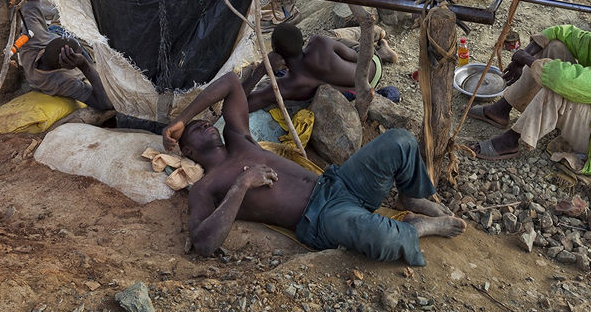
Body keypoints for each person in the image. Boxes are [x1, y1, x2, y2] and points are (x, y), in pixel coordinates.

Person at [162, 72, 465, 265]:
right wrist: (241, 185)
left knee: (399, 140)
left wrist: (182, 118)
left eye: (203, 121)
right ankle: (416, 230)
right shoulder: (206, 186)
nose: (204, 123)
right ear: (187, 151)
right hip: (320, 217)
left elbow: (229, 83)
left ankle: (410, 197)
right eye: (195, 128)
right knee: (380, 237)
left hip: (338, 183)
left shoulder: (238, 138)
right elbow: (203, 243)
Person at [468, 12, 591, 175]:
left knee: (558, 91)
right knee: (554, 47)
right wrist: (524, 56)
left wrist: (525, 58)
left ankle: (512, 140)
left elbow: (568, 81)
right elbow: (563, 32)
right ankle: (502, 109)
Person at [243, 23, 381, 112]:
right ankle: (380, 42)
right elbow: (359, 58)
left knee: (332, 38)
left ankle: (380, 42)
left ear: (273, 49)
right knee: (331, 38)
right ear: (302, 41)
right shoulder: (319, 42)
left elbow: (242, 105)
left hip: (358, 91)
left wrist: (261, 69)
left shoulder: (288, 85)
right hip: (374, 68)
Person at [16, 0, 113, 111]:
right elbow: (105, 103)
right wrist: (84, 64)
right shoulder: (59, 82)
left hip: (57, 27)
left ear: (46, 47)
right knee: (103, 10)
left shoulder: (34, 39)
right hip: (86, 41)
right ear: (68, 65)